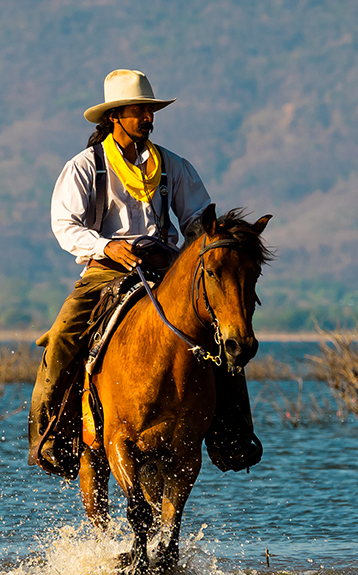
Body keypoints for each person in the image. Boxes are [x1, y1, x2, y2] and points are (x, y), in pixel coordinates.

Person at [28, 69, 262, 478]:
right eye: (139, 111)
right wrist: (106, 246)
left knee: (223, 336)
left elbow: (196, 218)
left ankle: (234, 435)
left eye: (150, 111)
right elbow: (65, 225)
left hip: (166, 269)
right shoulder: (86, 167)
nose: (148, 119)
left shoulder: (172, 166)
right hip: (105, 270)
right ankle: (49, 437)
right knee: (63, 338)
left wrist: (205, 240)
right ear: (115, 116)